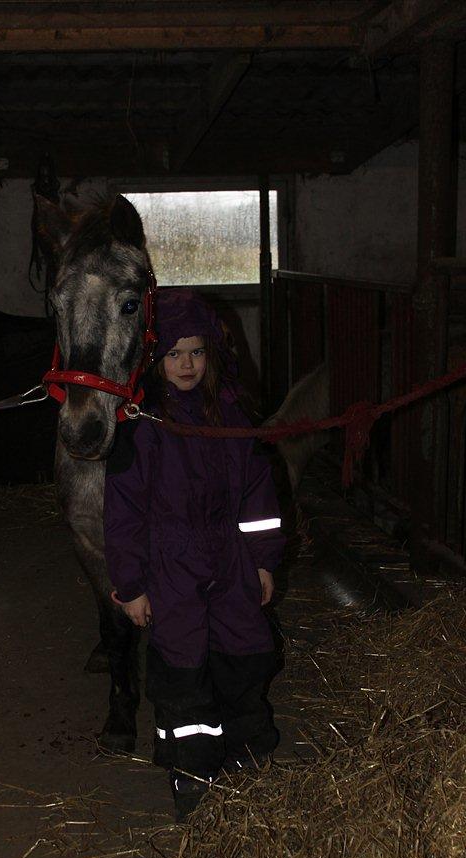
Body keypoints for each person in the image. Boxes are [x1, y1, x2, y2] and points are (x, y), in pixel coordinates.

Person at [103, 289, 285, 821]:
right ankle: (194, 777)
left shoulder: (229, 413)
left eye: (197, 353)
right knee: (183, 667)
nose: (186, 365)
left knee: (246, 653)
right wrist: (131, 585)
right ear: (155, 359)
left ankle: (247, 765)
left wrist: (263, 558)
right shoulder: (141, 426)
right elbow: (125, 514)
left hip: (230, 558)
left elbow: (259, 496)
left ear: (212, 355)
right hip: (171, 564)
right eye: (175, 354)